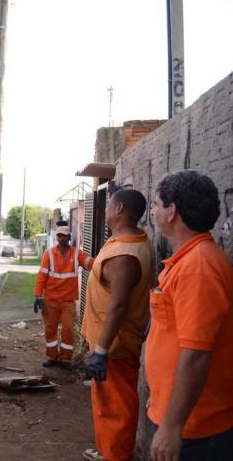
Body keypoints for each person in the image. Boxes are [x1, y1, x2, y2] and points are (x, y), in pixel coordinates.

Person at [147, 170, 233, 461]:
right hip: (182, 417)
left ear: (171, 212)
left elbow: (196, 354)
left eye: (156, 204)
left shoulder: (198, 268)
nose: (153, 211)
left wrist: (171, 426)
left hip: (194, 429)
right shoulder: (187, 260)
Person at [81, 188, 153, 461]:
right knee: (106, 402)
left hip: (114, 345)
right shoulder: (129, 241)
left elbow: (119, 304)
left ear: (120, 208)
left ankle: (115, 456)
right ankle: (108, 450)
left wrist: (101, 350)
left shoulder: (124, 253)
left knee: (116, 404)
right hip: (110, 341)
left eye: (109, 204)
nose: (106, 208)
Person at [34, 225, 93, 368]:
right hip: (50, 299)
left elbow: (89, 262)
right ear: (56, 237)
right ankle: (52, 357)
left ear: (69, 238)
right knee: (50, 329)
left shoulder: (76, 253)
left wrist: (104, 260)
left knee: (67, 329)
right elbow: (42, 276)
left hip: (68, 300)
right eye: (59, 236)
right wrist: (37, 295)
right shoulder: (49, 254)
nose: (61, 238)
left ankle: (65, 359)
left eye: (64, 236)